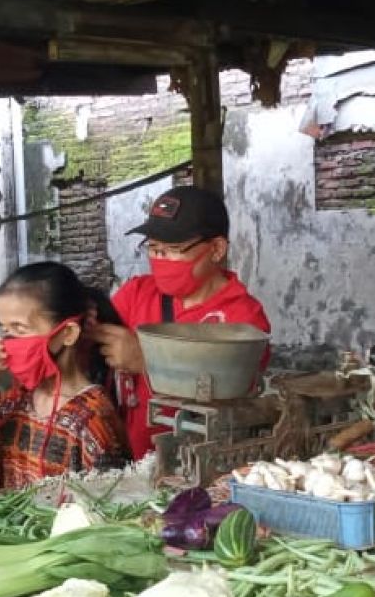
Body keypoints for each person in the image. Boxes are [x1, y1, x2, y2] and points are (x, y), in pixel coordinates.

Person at [92, 186, 271, 460]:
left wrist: (147, 361)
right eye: (153, 248)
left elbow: (231, 402)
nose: (161, 259)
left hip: (198, 464)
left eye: (174, 249)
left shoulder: (243, 319)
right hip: (133, 461)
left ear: (216, 249)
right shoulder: (137, 293)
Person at [0, 262, 128, 493]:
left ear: (68, 333)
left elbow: (107, 513)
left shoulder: (93, 419)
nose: (10, 342)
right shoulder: (14, 401)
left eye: (20, 330)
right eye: (5, 330)